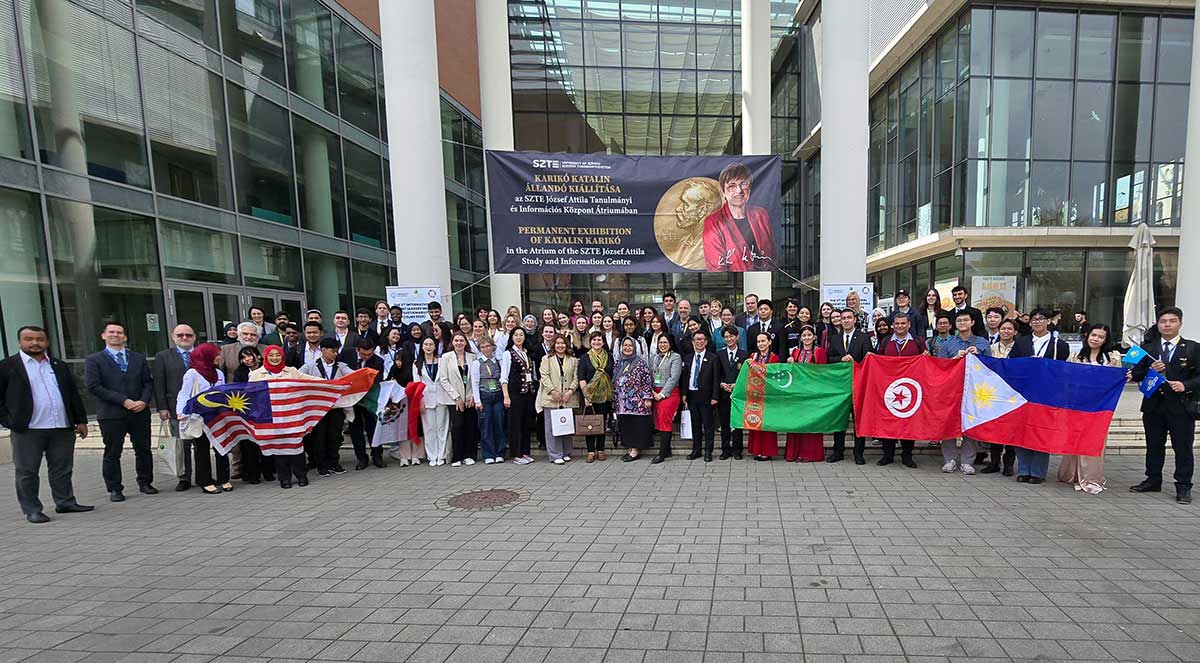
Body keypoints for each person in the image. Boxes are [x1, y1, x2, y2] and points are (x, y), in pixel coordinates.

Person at [1, 326, 91, 523]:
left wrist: (81, 420)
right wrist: (10, 421)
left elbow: (73, 394)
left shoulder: (59, 365)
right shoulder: (7, 366)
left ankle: (65, 502)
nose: (35, 343)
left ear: (47, 342)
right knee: (27, 471)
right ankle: (32, 509)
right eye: (29, 339)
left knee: (62, 468)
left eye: (40, 339)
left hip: (61, 427)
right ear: (19, 342)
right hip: (28, 429)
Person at [1130, 307, 1199, 504]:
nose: (1167, 324)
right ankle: (1153, 479)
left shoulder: (1192, 348)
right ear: (1158, 324)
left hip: (1181, 407)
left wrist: (1185, 385)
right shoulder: (1147, 348)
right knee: (1153, 445)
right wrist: (1150, 369)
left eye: (1172, 321)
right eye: (1163, 321)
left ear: (1180, 324)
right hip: (1154, 406)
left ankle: (1183, 486)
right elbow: (1135, 375)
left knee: (1182, 447)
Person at [84, 321, 156, 502]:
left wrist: (143, 401)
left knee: (144, 449)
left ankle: (145, 482)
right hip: (111, 414)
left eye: (119, 332)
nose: (115, 335)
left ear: (124, 337)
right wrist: (123, 401)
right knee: (113, 452)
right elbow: (94, 386)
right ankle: (115, 488)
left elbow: (148, 383)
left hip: (139, 412)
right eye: (111, 332)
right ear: (103, 335)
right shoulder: (94, 360)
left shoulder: (138, 358)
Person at [1055, 324, 1123, 495]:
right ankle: (1072, 474)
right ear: (1087, 336)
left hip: (1100, 408)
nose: (1096, 339)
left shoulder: (1112, 358)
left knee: (1094, 440)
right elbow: (1066, 379)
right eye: (1094, 335)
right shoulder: (1075, 356)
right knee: (1075, 438)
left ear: (1106, 340)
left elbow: (1116, 380)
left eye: (1101, 337)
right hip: (1077, 406)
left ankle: (1090, 477)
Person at [248, 345, 316, 488]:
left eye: (278, 355)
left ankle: (301, 475)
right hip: (271, 418)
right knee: (278, 448)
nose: (275, 358)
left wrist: (331, 383)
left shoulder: (292, 371)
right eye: (271, 355)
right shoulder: (255, 375)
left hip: (292, 416)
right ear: (266, 357)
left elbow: (310, 380)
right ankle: (284, 478)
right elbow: (250, 396)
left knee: (296, 445)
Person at [936, 311, 992, 476]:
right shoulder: (948, 344)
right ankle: (950, 459)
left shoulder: (982, 343)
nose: (962, 323)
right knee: (948, 422)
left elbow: (991, 367)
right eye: (959, 320)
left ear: (972, 322)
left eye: (965, 320)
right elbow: (939, 367)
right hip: (952, 390)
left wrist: (979, 356)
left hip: (975, 390)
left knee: (970, 423)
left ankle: (968, 461)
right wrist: (954, 359)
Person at [176, 343, 232, 495]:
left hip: (217, 416)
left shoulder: (218, 373)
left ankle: (224, 478)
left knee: (222, 447)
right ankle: (205, 481)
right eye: (216, 354)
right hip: (199, 417)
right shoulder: (192, 373)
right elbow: (184, 394)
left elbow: (222, 392)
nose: (219, 357)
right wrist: (181, 412)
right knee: (202, 449)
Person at [702, 162, 776, 272]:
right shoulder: (713, 222)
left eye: (743, 184)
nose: (739, 190)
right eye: (732, 186)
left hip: (763, 278)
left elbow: (772, 256)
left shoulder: (761, 214)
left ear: (750, 188)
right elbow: (717, 267)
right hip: (735, 280)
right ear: (723, 192)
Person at [875, 315, 925, 467]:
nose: (900, 326)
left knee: (908, 422)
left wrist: (926, 356)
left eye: (903, 323)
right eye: (897, 323)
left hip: (910, 389)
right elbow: (878, 359)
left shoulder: (918, 341)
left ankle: (907, 455)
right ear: (893, 325)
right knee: (888, 421)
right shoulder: (886, 341)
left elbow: (926, 361)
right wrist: (872, 358)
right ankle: (887, 455)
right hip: (889, 389)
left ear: (909, 324)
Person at [153, 324, 196, 491]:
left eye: (188, 335)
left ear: (194, 337)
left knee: (201, 444)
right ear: (173, 337)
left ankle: (204, 475)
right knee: (181, 445)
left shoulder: (200, 354)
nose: (184, 338)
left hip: (201, 408)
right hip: (175, 409)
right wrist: (162, 407)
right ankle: (184, 477)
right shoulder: (163, 356)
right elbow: (159, 383)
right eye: (180, 335)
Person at [301, 338, 352, 476]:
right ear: (323, 350)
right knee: (319, 437)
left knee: (335, 436)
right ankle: (321, 465)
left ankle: (334, 462)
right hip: (318, 409)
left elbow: (353, 375)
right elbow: (298, 376)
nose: (335, 354)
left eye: (336, 351)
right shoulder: (310, 366)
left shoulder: (341, 366)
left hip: (336, 407)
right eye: (332, 351)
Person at [826, 309, 871, 464]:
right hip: (839, 387)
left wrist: (856, 361)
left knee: (858, 421)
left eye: (849, 318)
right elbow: (829, 358)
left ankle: (858, 453)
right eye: (843, 318)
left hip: (858, 385)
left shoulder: (864, 337)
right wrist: (841, 359)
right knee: (839, 420)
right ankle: (838, 451)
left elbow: (869, 359)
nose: (846, 320)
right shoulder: (835, 338)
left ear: (854, 319)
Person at [981, 319, 1020, 475]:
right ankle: (994, 462)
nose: (1006, 331)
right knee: (995, 429)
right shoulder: (991, 348)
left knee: (1011, 431)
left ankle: (1009, 464)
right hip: (995, 393)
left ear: (1015, 332)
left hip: (1013, 394)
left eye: (1009, 329)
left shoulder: (1020, 348)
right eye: (1003, 328)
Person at [231, 346, 273, 485]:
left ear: (258, 356)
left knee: (266, 441)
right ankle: (251, 473)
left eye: (249, 356)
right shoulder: (240, 373)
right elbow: (237, 391)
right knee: (249, 443)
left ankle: (268, 471)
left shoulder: (267, 370)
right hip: (248, 411)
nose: (247, 359)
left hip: (265, 410)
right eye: (243, 357)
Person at [784, 325, 827, 463]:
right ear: (800, 338)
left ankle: (809, 454)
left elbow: (823, 373)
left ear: (814, 337)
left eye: (809, 335)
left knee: (811, 423)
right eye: (804, 335)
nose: (807, 338)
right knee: (796, 423)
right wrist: (789, 362)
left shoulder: (819, 351)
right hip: (797, 394)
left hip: (813, 394)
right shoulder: (795, 352)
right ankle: (794, 453)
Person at [344, 337, 387, 470]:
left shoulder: (378, 361)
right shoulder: (346, 355)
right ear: (358, 350)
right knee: (355, 429)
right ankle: (361, 458)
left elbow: (378, 381)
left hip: (369, 399)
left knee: (373, 427)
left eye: (370, 354)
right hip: (352, 399)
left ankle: (377, 455)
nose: (367, 357)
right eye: (364, 354)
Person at [537, 334, 579, 465]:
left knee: (566, 426)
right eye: (558, 343)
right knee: (551, 428)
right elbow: (544, 376)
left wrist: (570, 391)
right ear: (553, 345)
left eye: (563, 343)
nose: (560, 346)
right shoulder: (546, 359)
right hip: (552, 398)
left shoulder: (573, 360)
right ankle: (555, 454)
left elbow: (576, 377)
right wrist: (553, 391)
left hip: (567, 398)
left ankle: (566, 452)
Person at [440, 332, 478, 467]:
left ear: (466, 342)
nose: (459, 343)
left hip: (469, 398)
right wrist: (456, 397)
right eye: (456, 340)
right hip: (454, 399)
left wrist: (472, 395)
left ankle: (469, 455)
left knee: (470, 427)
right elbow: (444, 380)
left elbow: (475, 378)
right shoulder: (446, 357)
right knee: (457, 427)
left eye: (461, 340)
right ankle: (457, 456)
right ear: (452, 342)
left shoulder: (472, 357)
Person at [681, 329, 720, 462]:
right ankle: (696, 450)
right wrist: (684, 394)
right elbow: (685, 377)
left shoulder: (713, 358)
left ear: (706, 341)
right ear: (693, 342)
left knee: (708, 425)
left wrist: (715, 396)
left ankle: (708, 451)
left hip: (707, 396)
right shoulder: (688, 358)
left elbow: (716, 378)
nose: (699, 342)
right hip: (692, 395)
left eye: (702, 339)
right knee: (695, 424)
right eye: (697, 339)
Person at [613, 336, 655, 460]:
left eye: (630, 345)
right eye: (625, 345)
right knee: (626, 425)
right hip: (622, 401)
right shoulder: (618, 363)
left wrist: (647, 398)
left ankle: (635, 451)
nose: (627, 348)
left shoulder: (640, 363)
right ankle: (630, 448)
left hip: (637, 402)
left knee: (635, 425)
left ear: (635, 347)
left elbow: (647, 381)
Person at [469, 336, 507, 465]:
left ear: (492, 347)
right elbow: (475, 382)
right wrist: (477, 400)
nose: (486, 349)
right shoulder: (477, 363)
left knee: (499, 424)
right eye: (483, 347)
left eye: (488, 346)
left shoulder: (498, 361)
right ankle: (489, 454)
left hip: (498, 395)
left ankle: (500, 453)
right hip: (484, 395)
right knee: (486, 426)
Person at [577, 331, 614, 463]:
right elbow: (581, 378)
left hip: (605, 396)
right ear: (590, 342)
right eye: (594, 340)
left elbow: (612, 374)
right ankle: (591, 451)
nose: (597, 342)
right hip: (589, 396)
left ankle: (601, 450)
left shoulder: (609, 357)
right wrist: (586, 396)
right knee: (590, 424)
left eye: (599, 340)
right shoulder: (584, 358)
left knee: (601, 423)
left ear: (603, 342)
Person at [502, 328, 535, 465]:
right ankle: (517, 454)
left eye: (521, 335)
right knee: (515, 424)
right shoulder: (508, 354)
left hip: (528, 393)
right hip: (514, 393)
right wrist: (506, 396)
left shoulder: (526, 353)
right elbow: (504, 377)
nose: (519, 337)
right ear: (512, 337)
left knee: (526, 423)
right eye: (516, 335)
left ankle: (525, 452)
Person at [745, 332, 781, 460]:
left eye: (763, 341)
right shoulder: (753, 357)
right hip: (754, 394)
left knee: (767, 424)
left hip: (768, 395)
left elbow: (773, 376)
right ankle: (757, 450)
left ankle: (766, 451)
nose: (760, 344)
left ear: (769, 342)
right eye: (758, 341)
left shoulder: (774, 358)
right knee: (755, 422)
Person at [414, 337, 449, 466]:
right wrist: (420, 400)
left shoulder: (441, 361)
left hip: (442, 397)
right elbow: (417, 384)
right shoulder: (417, 364)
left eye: (431, 344)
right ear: (422, 347)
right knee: (429, 428)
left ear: (435, 346)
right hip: (426, 398)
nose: (428, 347)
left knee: (442, 427)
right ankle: (432, 455)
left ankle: (442, 455)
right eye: (426, 344)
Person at [715, 325, 748, 460]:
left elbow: (745, 375)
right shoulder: (719, 354)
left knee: (737, 423)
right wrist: (722, 384)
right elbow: (716, 374)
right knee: (724, 423)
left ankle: (737, 449)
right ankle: (725, 449)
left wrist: (736, 385)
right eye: (726, 337)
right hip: (723, 393)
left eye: (731, 336)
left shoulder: (744, 354)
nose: (729, 339)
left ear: (737, 337)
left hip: (737, 395)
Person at [649, 334, 683, 464]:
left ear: (670, 344)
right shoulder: (655, 357)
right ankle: (667, 450)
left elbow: (674, 378)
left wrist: (662, 394)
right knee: (658, 421)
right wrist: (652, 391)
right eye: (660, 342)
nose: (662, 345)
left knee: (665, 422)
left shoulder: (675, 357)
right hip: (655, 392)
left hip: (669, 393)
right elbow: (651, 375)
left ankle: (662, 453)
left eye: (665, 342)